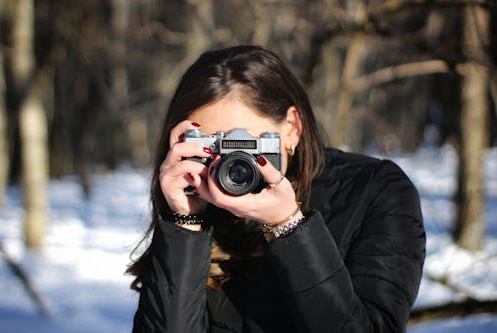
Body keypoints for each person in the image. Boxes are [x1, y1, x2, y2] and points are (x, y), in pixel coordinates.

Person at [127, 45, 426, 333]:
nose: (229, 162)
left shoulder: (375, 192)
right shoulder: (199, 203)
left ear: (291, 128)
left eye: (242, 143)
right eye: (212, 145)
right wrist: (186, 223)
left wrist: (289, 226)